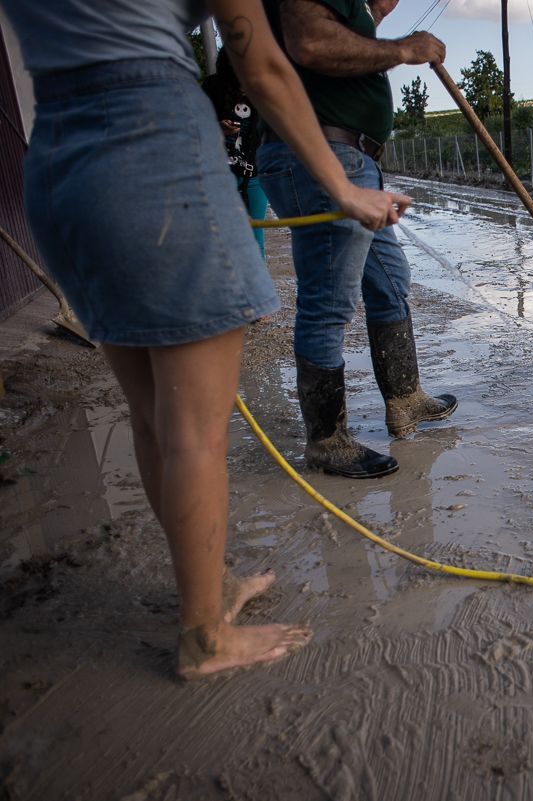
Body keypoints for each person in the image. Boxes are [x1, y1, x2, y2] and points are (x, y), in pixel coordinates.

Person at [1, 0, 410, 679]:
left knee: (154, 418)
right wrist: (341, 186)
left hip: (57, 163)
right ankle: (205, 636)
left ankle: (209, 589)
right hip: (154, 153)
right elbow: (263, 61)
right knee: (195, 430)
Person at [257, 0, 457, 481]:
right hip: (326, 154)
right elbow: (312, 41)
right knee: (329, 301)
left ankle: (404, 398)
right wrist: (405, 49)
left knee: (390, 279)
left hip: (353, 158)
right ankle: (327, 441)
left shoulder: (356, 11)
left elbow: (337, 36)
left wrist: (375, 20)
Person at [202, 48, 269, 258]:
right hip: (220, 172)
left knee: (256, 237)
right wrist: (217, 127)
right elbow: (196, 125)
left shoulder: (262, 89)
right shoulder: (213, 87)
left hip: (254, 172)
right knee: (222, 235)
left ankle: (258, 288)